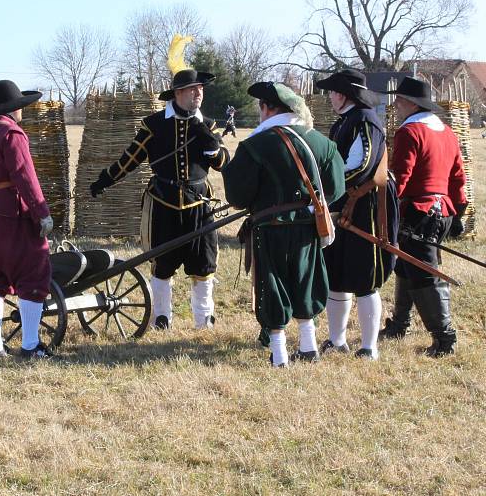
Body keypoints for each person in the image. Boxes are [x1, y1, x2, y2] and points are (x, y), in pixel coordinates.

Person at [90, 69, 230, 330]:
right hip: (163, 204)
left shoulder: (208, 125)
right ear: (178, 93)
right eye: (193, 89)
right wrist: (106, 179)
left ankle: (204, 319)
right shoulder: (153, 124)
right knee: (162, 265)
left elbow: (222, 164)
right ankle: (162, 317)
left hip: (199, 204)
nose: (199, 92)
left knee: (203, 264)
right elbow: (131, 158)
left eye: (201, 88)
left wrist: (207, 136)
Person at [222, 82, 345, 367]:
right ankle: (309, 346)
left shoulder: (254, 145)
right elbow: (336, 189)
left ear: (267, 108)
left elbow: (238, 196)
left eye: (260, 109)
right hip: (308, 228)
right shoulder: (321, 143)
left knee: (272, 285)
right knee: (306, 281)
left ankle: (279, 355)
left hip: (270, 228)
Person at [379, 77, 467, 357]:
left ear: (411, 103)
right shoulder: (447, 132)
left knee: (425, 276)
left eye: (399, 100)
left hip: (419, 213)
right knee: (405, 267)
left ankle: (445, 339)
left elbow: (400, 178)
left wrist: (387, 207)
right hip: (442, 213)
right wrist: (460, 210)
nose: (396, 105)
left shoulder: (410, 132)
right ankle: (400, 324)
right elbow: (458, 178)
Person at [315, 70, 398, 360]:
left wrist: (327, 187)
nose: (330, 98)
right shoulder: (347, 121)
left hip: (365, 209)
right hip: (343, 205)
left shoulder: (365, 120)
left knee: (364, 279)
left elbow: (361, 165)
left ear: (342, 95)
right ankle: (337, 340)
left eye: (332, 93)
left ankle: (369, 346)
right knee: (338, 274)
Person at [0, 80, 55, 359]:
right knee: (33, 273)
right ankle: (30, 345)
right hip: (12, 216)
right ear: (13, 109)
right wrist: (42, 213)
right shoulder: (12, 133)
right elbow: (25, 176)